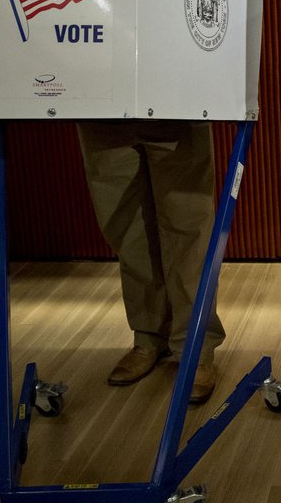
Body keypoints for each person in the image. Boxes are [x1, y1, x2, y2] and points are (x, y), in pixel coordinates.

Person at [77, 120, 225, 405]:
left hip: (176, 110)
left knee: (187, 231)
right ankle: (148, 337)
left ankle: (195, 349)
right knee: (128, 231)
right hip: (103, 112)